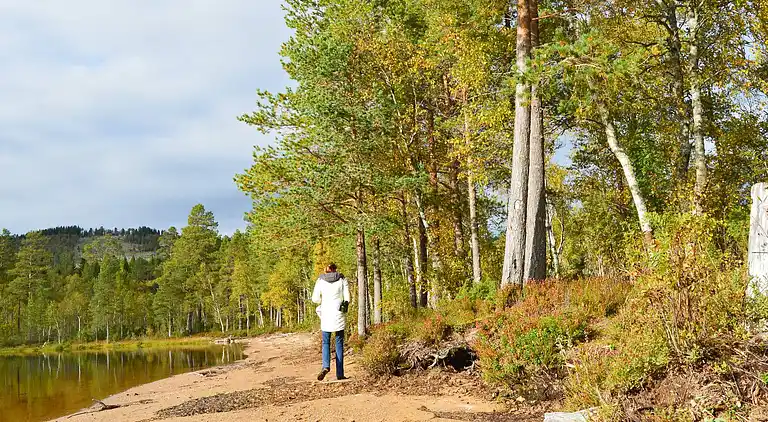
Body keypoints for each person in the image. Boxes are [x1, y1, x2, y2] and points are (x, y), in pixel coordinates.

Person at [311, 263, 351, 381]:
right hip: (338, 314)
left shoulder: (320, 280)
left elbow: (315, 299)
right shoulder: (342, 279)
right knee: (339, 342)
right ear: (335, 269)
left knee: (326, 342)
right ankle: (340, 373)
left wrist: (324, 299)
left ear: (326, 271)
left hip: (326, 314)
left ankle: (326, 366)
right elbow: (347, 298)